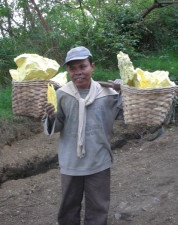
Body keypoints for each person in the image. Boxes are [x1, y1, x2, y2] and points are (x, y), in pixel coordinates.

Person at [42, 46, 122, 225]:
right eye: (72, 68)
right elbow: (58, 125)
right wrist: (52, 116)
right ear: (68, 71)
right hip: (71, 161)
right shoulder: (62, 95)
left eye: (82, 66)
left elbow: (129, 113)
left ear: (92, 66)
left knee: (98, 207)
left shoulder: (108, 94)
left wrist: (126, 90)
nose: (78, 72)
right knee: (68, 207)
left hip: (99, 160)